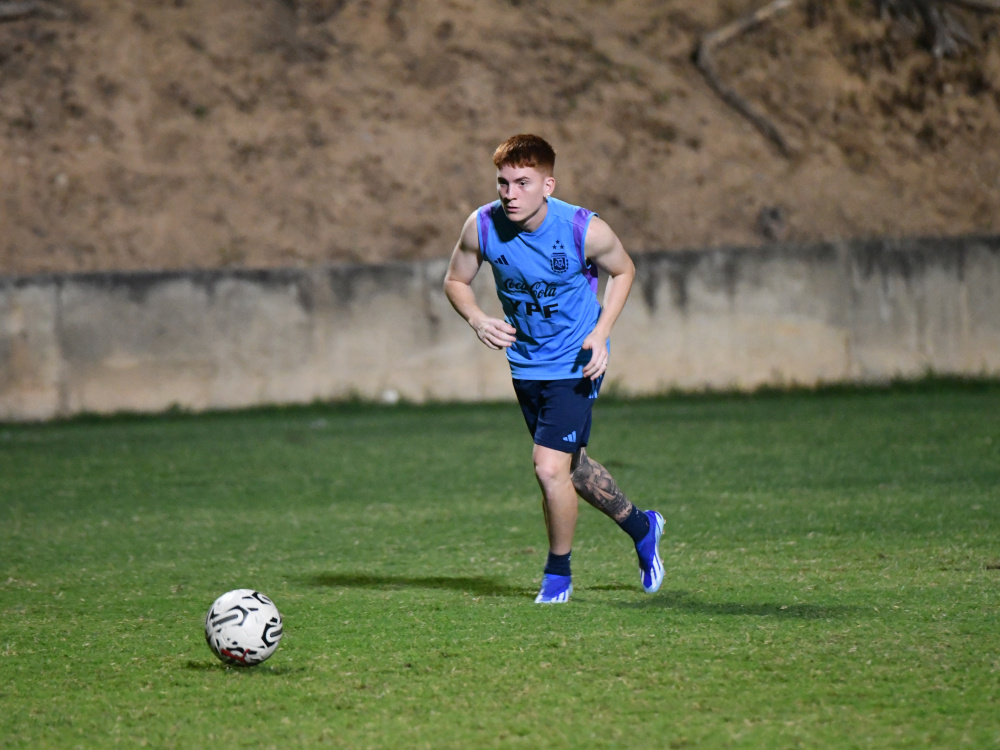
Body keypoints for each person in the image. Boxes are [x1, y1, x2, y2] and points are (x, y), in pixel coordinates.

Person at [443, 133, 664, 603]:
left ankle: (557, 575)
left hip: (576, 360)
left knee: (547, 469)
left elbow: (624, 270)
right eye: (503, 182)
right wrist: (478, 318)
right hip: (525, 364)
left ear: (548, 184)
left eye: (523, 183)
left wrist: (601, 332)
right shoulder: (481, 225)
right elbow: (455, 280)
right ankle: (643, 528)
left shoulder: (583, 229)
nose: (510, 194)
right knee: (573, 469)